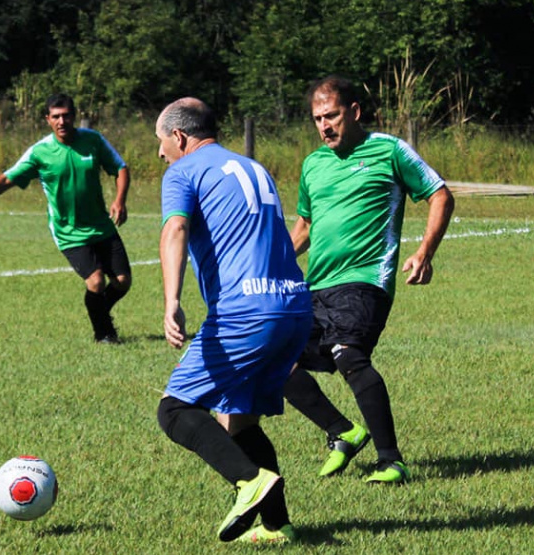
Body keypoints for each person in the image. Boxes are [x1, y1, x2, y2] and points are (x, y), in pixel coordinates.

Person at [155, 98, 312, 544]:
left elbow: (175, 229)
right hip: (293, 307)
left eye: (161, 142)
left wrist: (171, 300)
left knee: (174, 408)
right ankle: (277, 526)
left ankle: (249, 482)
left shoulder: (183, 171)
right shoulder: (251, 166)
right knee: (239, 420)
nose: (161, 153)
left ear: (180, 136)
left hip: (246, 313)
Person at [283, 75, 455, 484]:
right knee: (274, 358)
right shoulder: (313, 164)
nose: (325, 126)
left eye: (332, 116)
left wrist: (424, 252)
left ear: (354, 112)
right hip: (315, 286)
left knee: (348, 354)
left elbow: (440, 194)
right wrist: (273, 264)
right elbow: (305, 225)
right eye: (317, 119)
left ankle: (391, 460)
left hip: (364, 281)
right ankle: (342, 432)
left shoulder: (389, 150)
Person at [0, 94, 131, 344]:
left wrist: (120, 200)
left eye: (66, 115)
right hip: (68, 232)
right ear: (48, 120)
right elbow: (7, 179)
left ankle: (98, 309)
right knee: (95, 281)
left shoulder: (93, 141)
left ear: (74, 116)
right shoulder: (40, 152)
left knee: (123, 282)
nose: (62, 121)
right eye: (56, 117)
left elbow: (120, 168)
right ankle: (103, 333)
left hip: (101, 226)